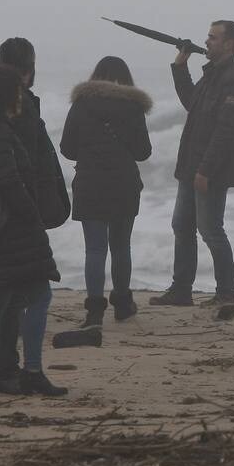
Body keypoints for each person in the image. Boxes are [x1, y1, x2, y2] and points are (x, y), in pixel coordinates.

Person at [0, 66, 65, 396]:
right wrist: (32, 216)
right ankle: (31, 371)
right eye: (17, 93)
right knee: (38, 295)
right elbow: (9, 182)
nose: (21, 98)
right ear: (7, 97)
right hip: (12, 230)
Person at [150, 20, 234, 307]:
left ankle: (226, 292)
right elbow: (192, 103)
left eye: (212, 37)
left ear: (229, 43)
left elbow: (226, 132)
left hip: (210, 170)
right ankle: (181, 289)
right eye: (208, 37)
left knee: (211, 230)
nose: (206, 42)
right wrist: (181, 68)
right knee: (182, 226)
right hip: (191, 166)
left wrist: (205, 170)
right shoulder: (212, 75)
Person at [0, 38, 69, 380]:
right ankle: (27, 369)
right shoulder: (20, 107)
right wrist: (32, 209)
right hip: (21, 213)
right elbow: (23, 165)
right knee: (33, 293)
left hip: (0, 213)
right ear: (27, 67)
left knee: (6, 296)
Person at [60, 56, 152, 325]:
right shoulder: (134, 107)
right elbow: (143, 152)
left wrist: (90, 153)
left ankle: (94, 311)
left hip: (89, 182)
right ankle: (123, 304)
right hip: (123, 183)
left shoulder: (81, 104)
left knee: (95, 249)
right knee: (121, 246)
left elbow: (66, 148)